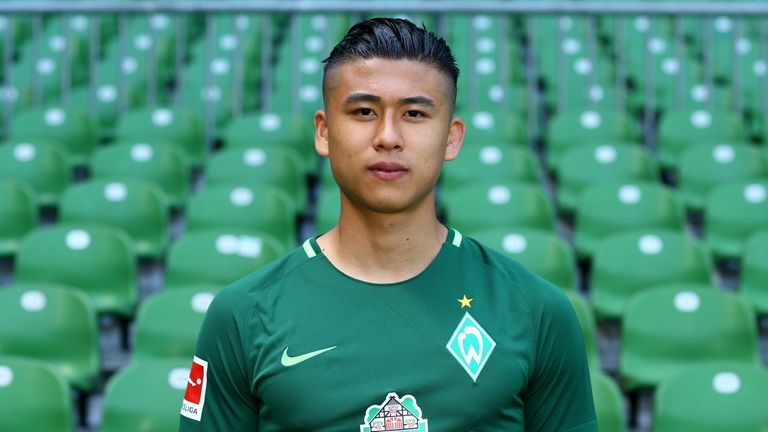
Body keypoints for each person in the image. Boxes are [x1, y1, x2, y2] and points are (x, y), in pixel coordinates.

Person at [179, 17, 596, 431]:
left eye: (414, 113)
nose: (388, 136)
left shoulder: (536, 310)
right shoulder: (242, 315)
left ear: (451, 138)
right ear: (323, 132)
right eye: (363, 111)